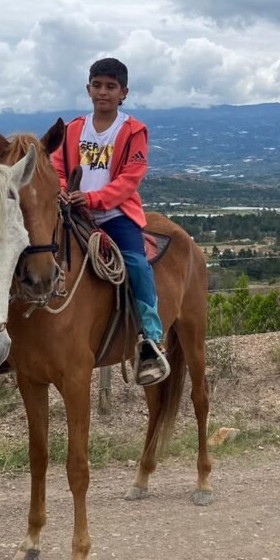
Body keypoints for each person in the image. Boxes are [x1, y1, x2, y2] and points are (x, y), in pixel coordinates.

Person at [51, 58, 170, 386]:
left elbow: (130, 178)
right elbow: (57, 167)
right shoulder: (72, 129)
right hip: (73, 213)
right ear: (88, 89)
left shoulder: (133, 131)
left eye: (111, 86)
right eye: (97, 85)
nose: (103, 92)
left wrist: (92, 198)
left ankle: (150, 338)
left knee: (136, 264)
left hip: (116, 216)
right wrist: (62, 190)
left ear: (123, 93)